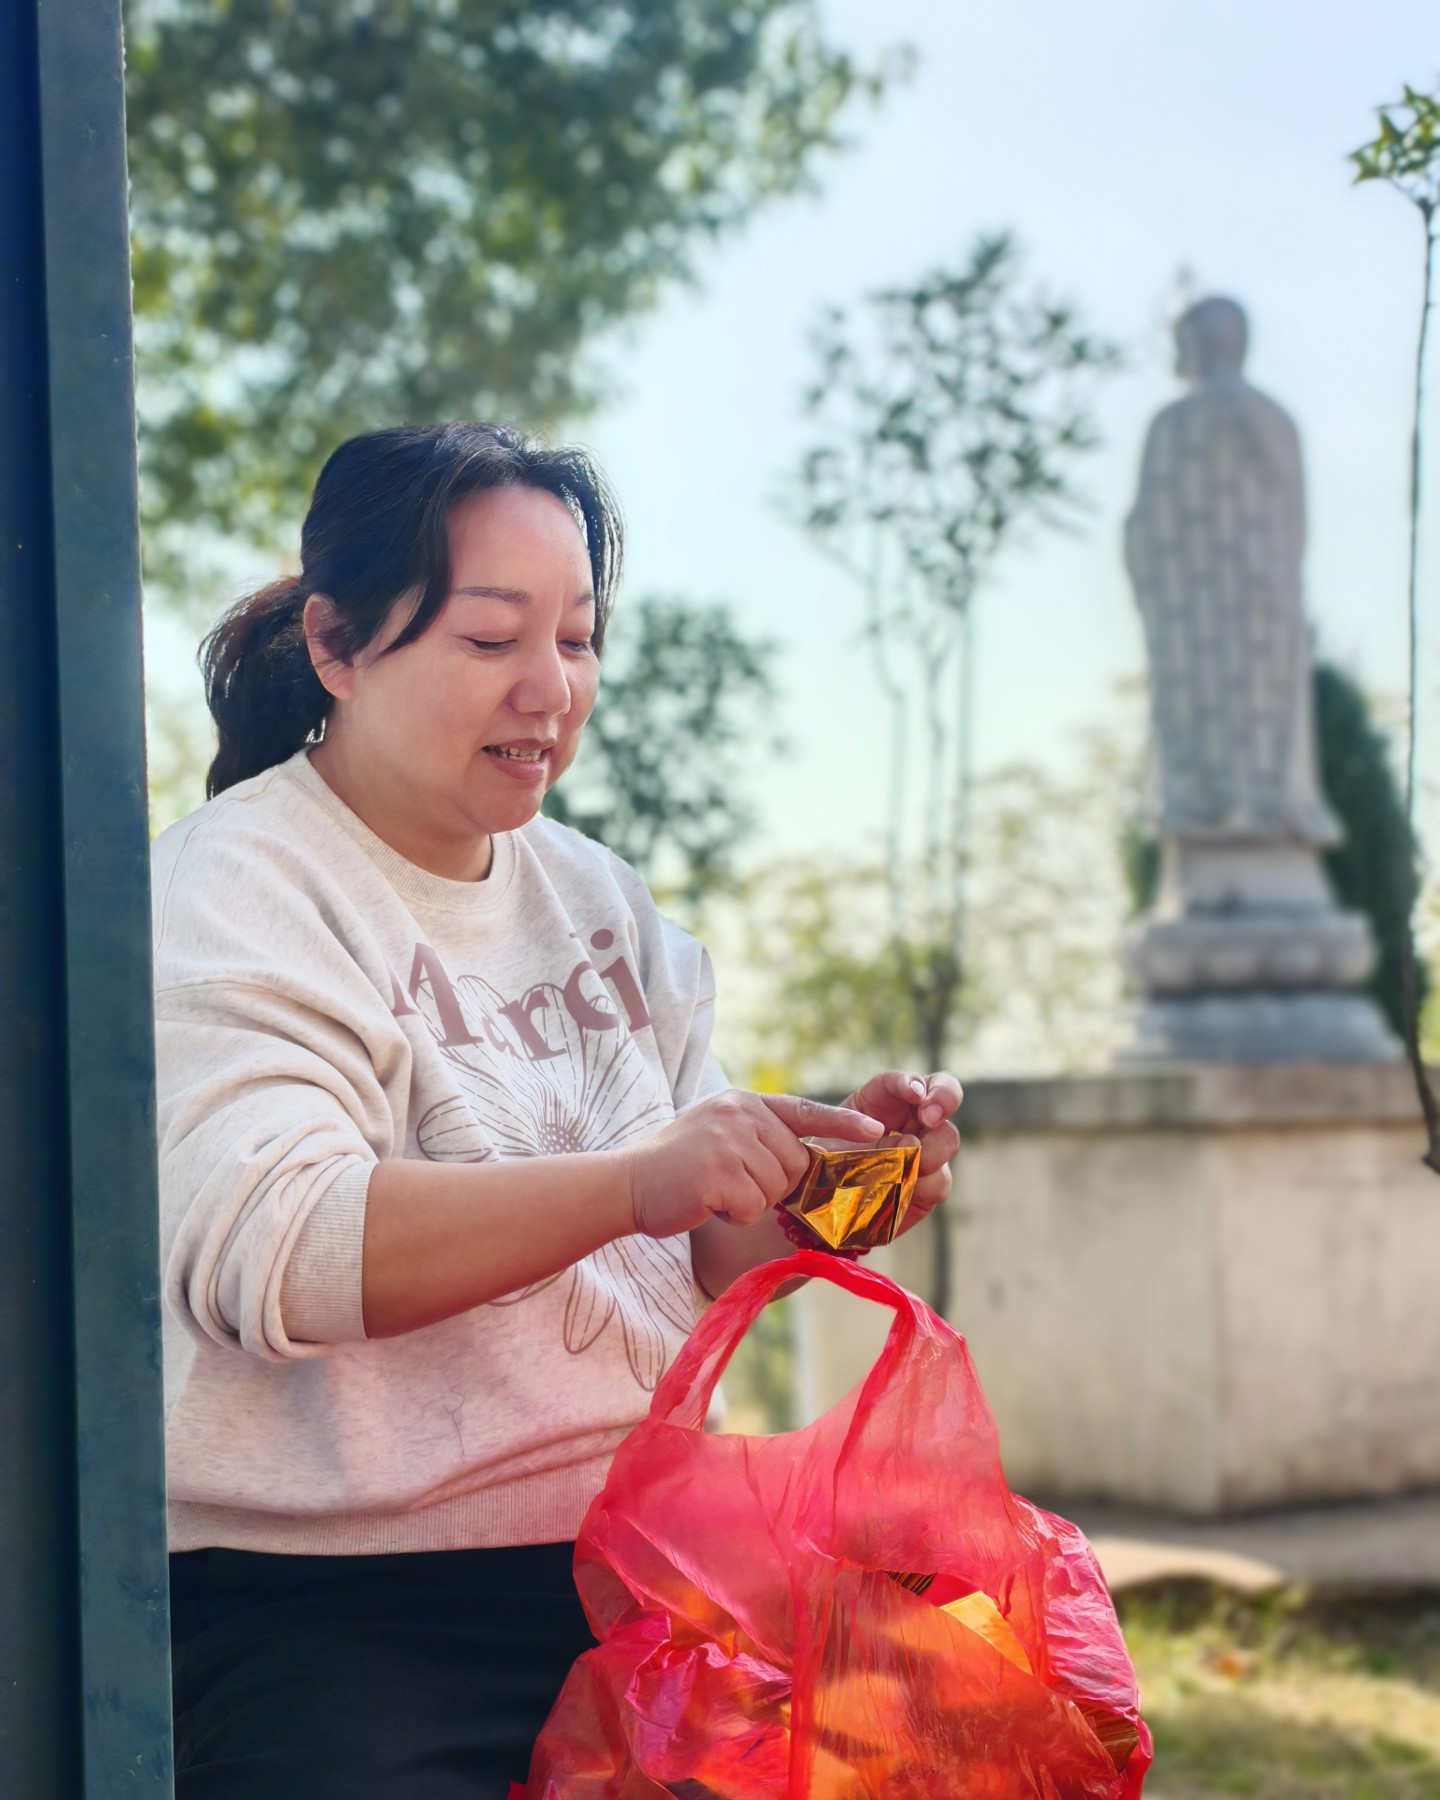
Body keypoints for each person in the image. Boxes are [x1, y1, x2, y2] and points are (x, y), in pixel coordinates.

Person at [155, 421, 963, 1799]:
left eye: (578, 640)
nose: (550, 690)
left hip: (638, 1564)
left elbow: (696, 1255)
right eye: (491, 639)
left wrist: (817, 1190)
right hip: (332, 1605)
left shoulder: (594, 892)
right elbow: (280, 1253)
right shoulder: (237, 887)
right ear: (338, 645)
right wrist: (639, 1180)